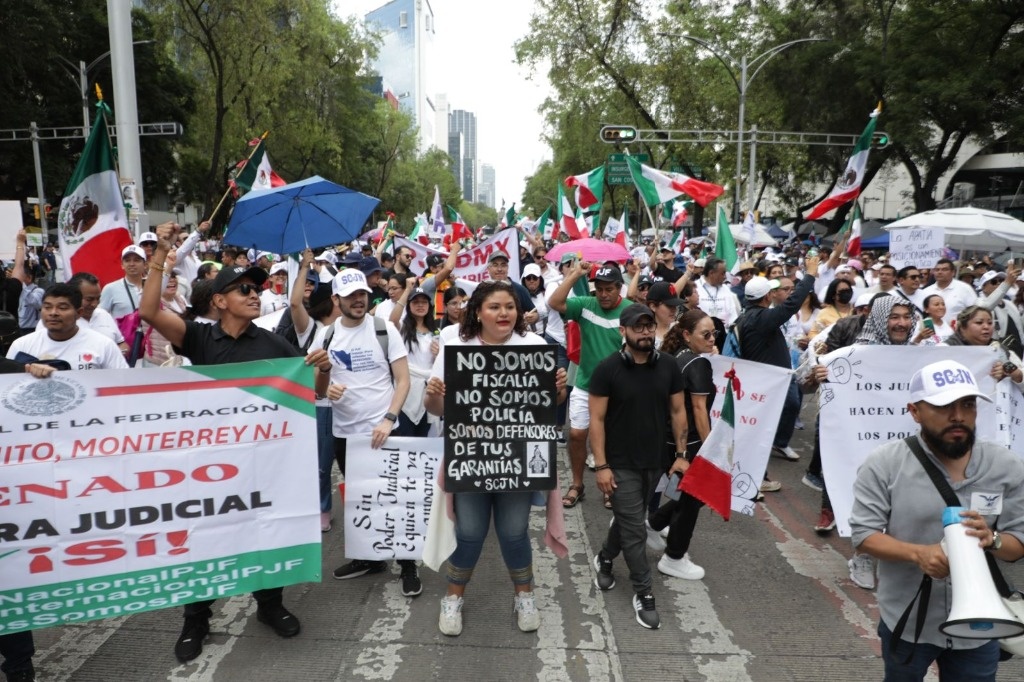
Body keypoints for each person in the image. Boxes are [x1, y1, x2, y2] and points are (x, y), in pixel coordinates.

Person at [140, 223, 323, 663]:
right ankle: (196, 617)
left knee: (265, 528)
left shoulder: (273, 342)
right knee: (205, 536)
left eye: (257, 289)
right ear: (219, 300)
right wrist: (162, 253)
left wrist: (323, 367)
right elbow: (149, 311)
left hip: (261, 464)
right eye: (243, 289)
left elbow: (309, 389)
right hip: (207, 466)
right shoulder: (200, 337)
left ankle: (270, 604)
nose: (255, 294)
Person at [849, 359, 1024, 680]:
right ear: (914, 411)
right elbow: (863, 534)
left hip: (979, 627)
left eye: (968, 404)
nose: (958, 416)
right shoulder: (883, 464)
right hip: (908, 617)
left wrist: (993, 540)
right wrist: (919, 554)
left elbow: (1016, 546)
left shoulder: (1007, 467)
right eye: (944, 406)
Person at [424, 281, 567, 636]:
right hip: (471, 456)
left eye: (510, 307)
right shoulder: (455, 347)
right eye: (494, 307)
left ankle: (525, 596)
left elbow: (549, 408)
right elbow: (436, 409)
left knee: (514, 532)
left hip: (518, 459)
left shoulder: (535, 346)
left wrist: (558, 390)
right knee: (470, 532)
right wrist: (433, 394)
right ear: (477, 312)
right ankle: (453, 598)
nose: (503, 313)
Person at [313, 269, 417, 593]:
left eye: (362, 294)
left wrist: (388, 418)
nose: (358, 300)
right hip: (346, 433)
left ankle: (408, 565)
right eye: (350, 296)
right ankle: (370, 558)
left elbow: (403, 380)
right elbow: (318, 388)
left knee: (396, 497)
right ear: (336, 300)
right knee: (360, 499)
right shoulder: (327, 336)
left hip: (386, 430)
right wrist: (326, 382)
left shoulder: (384, 329)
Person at [589, 304, 687, 629]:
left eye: (649, 327)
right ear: (623, 331)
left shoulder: (670, 367)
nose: (645, 332)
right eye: (638, 327)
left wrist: (682, 454)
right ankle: (644, 593)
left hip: (655, 462)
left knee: (630, 520)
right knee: (635, 530)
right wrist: (601, 465)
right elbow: (597, 420)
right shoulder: (607, 369)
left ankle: (605, 558)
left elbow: (677, 412)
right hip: (618, 465)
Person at [548, 262, 631, 509]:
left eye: (609, 289)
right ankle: (577, 484)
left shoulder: (631, 311)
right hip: (585, 383)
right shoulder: (584, 304)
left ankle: (610, 485)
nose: (604, 294)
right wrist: (575, 274)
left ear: (620, 288)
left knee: (613, 438)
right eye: (600, 289)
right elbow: (554, 302)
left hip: (618, 389)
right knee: (576, 434)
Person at [647, 309, 717, 581]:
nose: (712, 339)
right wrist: (711, 450)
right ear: (687, 335)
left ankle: (653, 525)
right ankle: (674, 556)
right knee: (694, 497)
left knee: (685, 494)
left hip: (669, 438)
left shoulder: (676, 357)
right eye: (706, 334)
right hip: (688, 442)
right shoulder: (698, 364)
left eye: (714, 333)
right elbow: (699, 409)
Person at [737, 260, 820, 470]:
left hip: (778, 376)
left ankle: (778, 445)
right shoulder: (761, 317)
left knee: (790, 405)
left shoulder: (752, 316)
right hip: (767, 381)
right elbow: (792, 304)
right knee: (760, 427)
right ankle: (756, 476)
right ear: (767, 297)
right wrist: (810, 275)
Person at [290, 250, 342, 531]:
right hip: (321, 407)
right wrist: (303, 267)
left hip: (352, 407)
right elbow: (295, 302)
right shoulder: (311, 329)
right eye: (335, 297)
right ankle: (322, 508)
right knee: (321, 464)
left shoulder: (359, 325)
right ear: (329, 303)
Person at [6, 283, 128, 370]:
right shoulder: (21, 346)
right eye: (47, 307)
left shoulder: (104, 346)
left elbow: (123, 384)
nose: (53, 313)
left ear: (79, 313)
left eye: (62, 307)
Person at [392, 281, 439, 437]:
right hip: (407, 392)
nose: (420, 305)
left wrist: (439, 354)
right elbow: (392, 320)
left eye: (424, 302)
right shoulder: (402, 330)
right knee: (405, 436)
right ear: (409, 305)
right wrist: (406, 291)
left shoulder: (436, 332)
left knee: (424, 438)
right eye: (416, 302)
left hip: (429, 392)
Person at [941, 305, 1024, 386]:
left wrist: (1016, 375)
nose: (986, 327)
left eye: (990, 323)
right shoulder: (944, 349)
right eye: (979, 322)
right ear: (963, 327)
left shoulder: (1001, 350)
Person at [921, 258, 977, 326]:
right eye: (937, 270)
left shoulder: (965, 289)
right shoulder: (926, 291)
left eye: (944, 269)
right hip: (932, 334)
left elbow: (974, 312)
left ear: (953, 272)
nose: (940, 272)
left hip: (957, 334)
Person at [99, 244, 147, 320]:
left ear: (145, 265)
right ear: (122, 265)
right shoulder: (110, 288)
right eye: (127, 260)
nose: (132, 264)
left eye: (136, 260)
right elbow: (100, 317)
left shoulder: (152, 287)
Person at [695, 257, 742, 327]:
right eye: (722, 273)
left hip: (725, 334)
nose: (725, 277)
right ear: (711, 273)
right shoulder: (695, 287)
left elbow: (733, 314)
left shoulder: (725, 289)